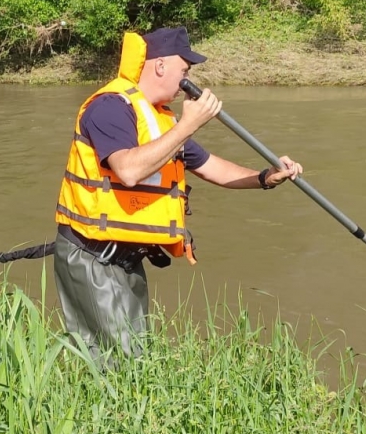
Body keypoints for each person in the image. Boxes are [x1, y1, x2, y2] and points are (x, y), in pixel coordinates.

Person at [54, 26, 303, 360]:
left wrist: (265, 177)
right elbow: (128, 170)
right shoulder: (111, 107)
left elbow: (211, 166)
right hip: (92, 256)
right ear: (160, 66)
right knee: (117, 362)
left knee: (136, 355)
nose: (188, 79)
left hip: (127, 259)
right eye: (185, 71)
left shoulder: (160, 120)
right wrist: (189, 124)